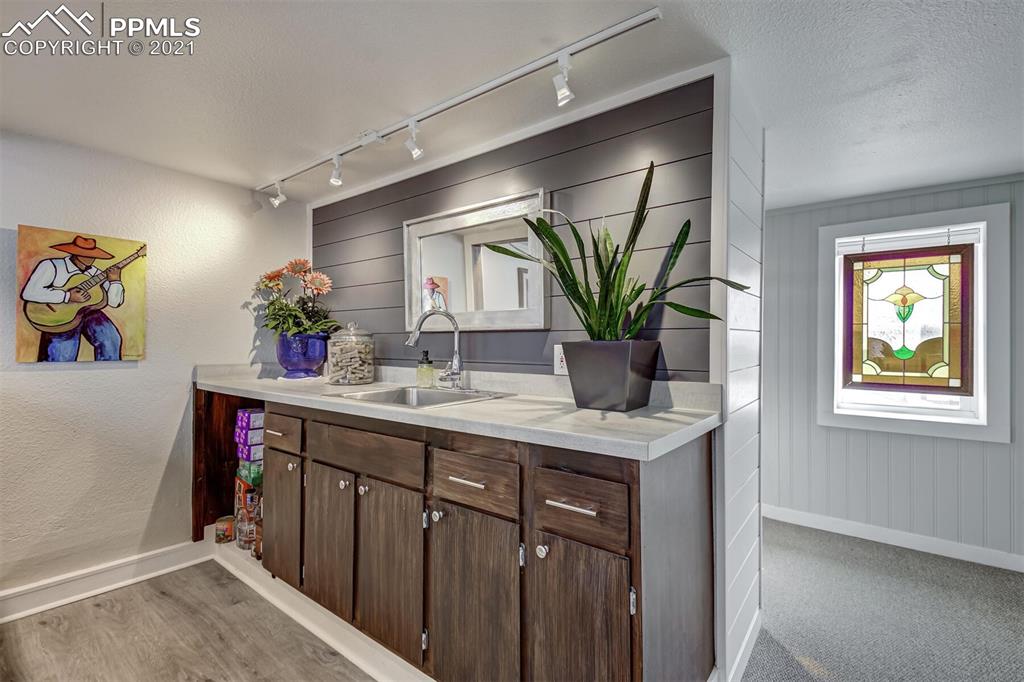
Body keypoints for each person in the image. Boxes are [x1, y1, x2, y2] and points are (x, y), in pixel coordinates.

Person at [20, 235, 124, 361]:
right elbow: (29, 293)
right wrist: (67, 296)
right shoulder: (51, 266)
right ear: (75, 253)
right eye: (86, 254)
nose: (91, 258)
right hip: (57, 316)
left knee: (111, 339)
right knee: (62, 355)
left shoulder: (96, 273)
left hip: (88, 311)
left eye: (93, 254)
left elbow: (115, 302)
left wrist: (115, 282)